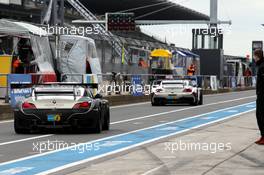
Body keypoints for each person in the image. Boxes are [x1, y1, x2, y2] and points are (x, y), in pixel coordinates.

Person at [254, 49, 264, 145]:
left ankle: (263, 137)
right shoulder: (260, 66)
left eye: (255, 56)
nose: (254, 58)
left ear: (258, 56)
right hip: (260, 95)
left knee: (261, 116)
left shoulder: (262, 67)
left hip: (262, 96)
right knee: (259, 115)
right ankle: (262, 136)